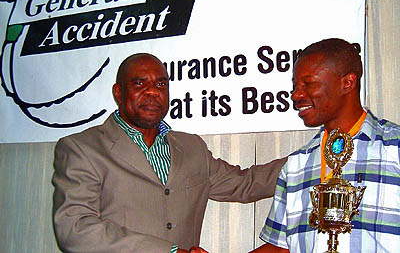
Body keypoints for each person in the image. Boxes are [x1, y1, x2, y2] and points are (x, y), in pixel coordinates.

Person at [52, 53, 287, 253]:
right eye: (139, 84)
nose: (153, 92)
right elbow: (75, 229)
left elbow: (245, 183)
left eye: (161, 84)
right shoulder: (82, 148)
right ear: (118, 92)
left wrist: (310, 160)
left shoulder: (192, 147)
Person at [250, 38, 400, 253]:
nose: (296, 95)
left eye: (308, 84)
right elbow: (280, 248)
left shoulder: (394, 148)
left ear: (347, 83)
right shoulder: (296, 165)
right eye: (295, 86)